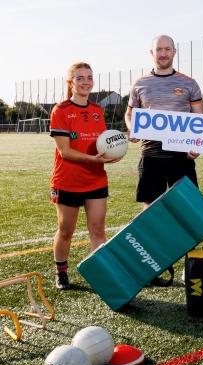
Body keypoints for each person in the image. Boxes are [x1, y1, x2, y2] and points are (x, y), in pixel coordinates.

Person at [124, 34, 203, 285]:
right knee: (150, 214)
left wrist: (197, 145)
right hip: (151, 156)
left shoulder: (189, 83)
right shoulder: (140, 83)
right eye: (158, 49)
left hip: (181, 156)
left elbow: (200, 119)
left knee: (187, 212)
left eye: (167, 49)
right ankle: (152, 267)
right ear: (152, 53)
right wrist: (132, 127)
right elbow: (130, 114)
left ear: (174, 52)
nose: (163, 53)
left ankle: (191, 268)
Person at [50, 62, 118, 290]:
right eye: (80, 78)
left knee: (98, 230)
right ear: (71, 82)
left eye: (89, 77)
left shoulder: (97, 111)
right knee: (66, 230)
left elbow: (103, 144)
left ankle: (99, 275)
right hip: (68, 180)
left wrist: (111, 156)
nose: (86, 82)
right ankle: (61, 271)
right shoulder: (61, 110)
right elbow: (65, 152)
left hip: (96, 180)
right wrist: (96, 160)